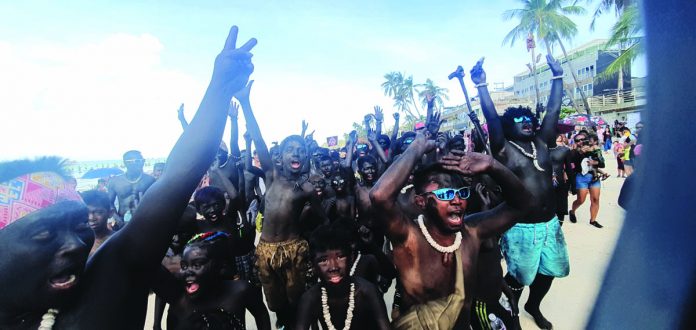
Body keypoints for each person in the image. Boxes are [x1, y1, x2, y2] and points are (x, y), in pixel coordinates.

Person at [0, 25, 257, 329]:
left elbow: (173, 181)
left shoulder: (105, 288)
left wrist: (219, 90)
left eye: (80, 224)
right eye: (43, 234)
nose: (75, 244)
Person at [369, 132, 534, 329]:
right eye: (445, 194)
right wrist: (416, 147)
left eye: (461, 193)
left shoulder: (472, 232)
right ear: (421, 202)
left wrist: (492, 165)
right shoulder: (408, 237)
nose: (456, 200)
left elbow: (522, 204)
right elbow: (379, 196)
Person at [472, 55, 569, 329]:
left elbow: (552, 111)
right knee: (518, 277)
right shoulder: (504, 150)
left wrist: (558, 78)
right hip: (520, 228)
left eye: (529, 118)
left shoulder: (541, 142)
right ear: (507, 126)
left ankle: (533, 307)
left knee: (550, 271)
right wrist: (481, 86)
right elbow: (491, 117)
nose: (527, 121)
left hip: (551, 225)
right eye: (519, 119)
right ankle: (512, 313)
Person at [236, 80, 325, 328]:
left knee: (296, 297)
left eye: (300, 151)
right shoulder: (272, 176)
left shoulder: (305, 187)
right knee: (275, 302)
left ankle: (299, 322)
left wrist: (314, 205)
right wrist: (245, 102)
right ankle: (284, 320)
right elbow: (259, 138)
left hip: (293, 248)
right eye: (290, 150)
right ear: (281, 157)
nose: (295, 154)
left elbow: (321, 217)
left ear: (305, 158)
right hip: (265, 250)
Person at [153, 231, 271, 330]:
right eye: (184, 266)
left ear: (220, 267)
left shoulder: (241, 291)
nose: (187, 271)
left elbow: (261, 315)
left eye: (197, 264)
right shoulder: (180, 303)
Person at [295, 225, 391, 330]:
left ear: (351, 258)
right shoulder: (311, 298)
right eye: (323, 260)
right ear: (313, 265)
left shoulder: (366, 292)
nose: (333, 267)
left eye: (340, 257)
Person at [107, 150, 156, 229]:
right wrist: (117, 219)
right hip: (121, 222)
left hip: (145, 221)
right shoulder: (115, 181)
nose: (142, 163)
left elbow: (155, 202)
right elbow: (109, 203)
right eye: (137, 161)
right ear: (126, 163)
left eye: (143, 160)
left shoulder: (150, 180)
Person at [569, 132, 605, 228]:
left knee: (595, 199)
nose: (580, 142)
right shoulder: (573, 152)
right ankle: (572, 211)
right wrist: (579, 152)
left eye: (582, 139)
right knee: (581, 200)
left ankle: (593, 220)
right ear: (575, 142)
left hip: (594, 177)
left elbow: (601, 164)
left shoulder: (593, 150)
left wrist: (595, 162)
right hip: (581, 178)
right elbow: (571, 167)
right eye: (578, 140)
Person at [549, 134, 574, 225]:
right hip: (544, 183)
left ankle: (558, 228)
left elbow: (569, 168)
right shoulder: (540, 149)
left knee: (560, 208)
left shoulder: (565, 150)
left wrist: (573, 185)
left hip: (560, 181)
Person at [81, 190, 114, 257]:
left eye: (99, 212)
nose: (91, 218)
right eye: (86, 213)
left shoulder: (117, 239)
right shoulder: (79, 243)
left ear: (110, 213)